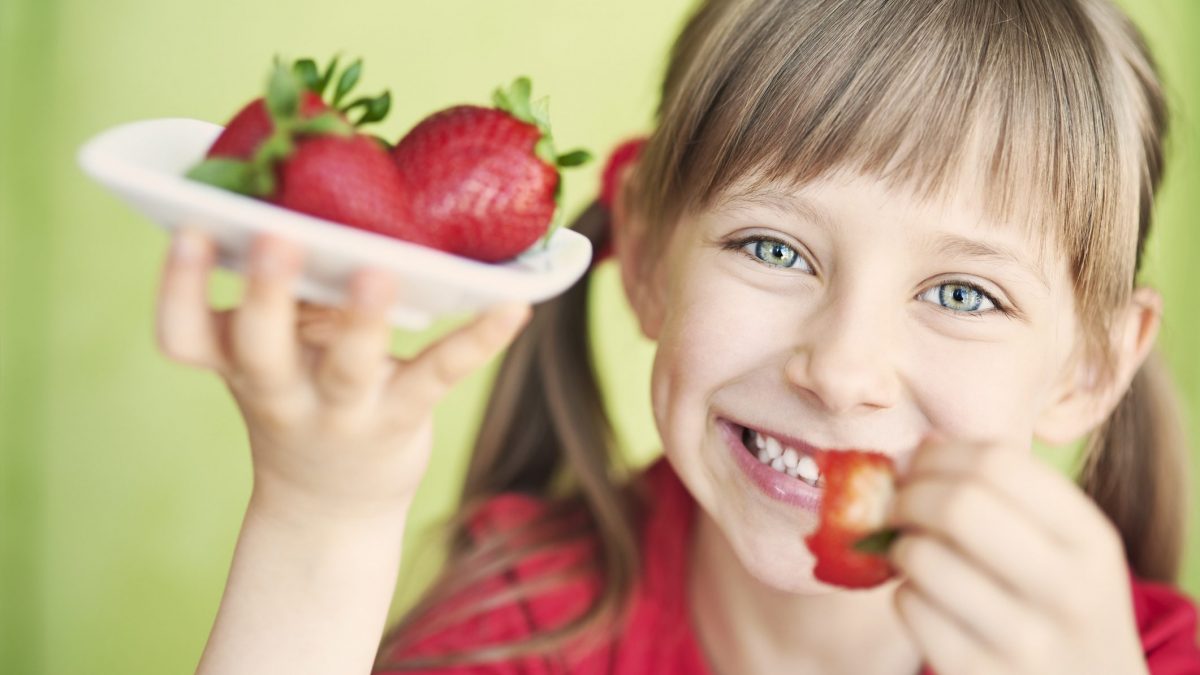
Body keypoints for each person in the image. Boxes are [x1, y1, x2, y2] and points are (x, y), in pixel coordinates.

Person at [158, 0, 1200, 672]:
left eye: (966, 295)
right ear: (651, 258)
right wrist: (320, 519)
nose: (840, 371)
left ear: (1091, 364)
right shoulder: (523, 632)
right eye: (776, 249)